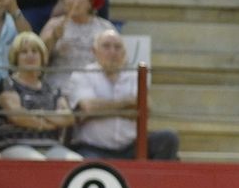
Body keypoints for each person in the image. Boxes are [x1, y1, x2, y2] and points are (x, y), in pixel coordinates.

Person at [66, 29, 181, 160]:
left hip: (130, 147)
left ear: (124, 52)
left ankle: (154, 180)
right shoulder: (82, 75)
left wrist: (101, 111)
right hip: (93, 148)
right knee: (89, 165)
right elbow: (89, 107)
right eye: (106, 46)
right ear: (94, 51)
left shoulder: (134, 75)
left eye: (117, 47)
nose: (112, 52)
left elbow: (145, 107)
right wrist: (127, 105)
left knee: (169, 138)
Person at [0, 31, 80, 160]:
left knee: (75, 161)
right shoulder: (8, 84)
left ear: (42, 57)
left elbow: (68, 118)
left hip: (51, 146)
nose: (30, 55)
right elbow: (17, 116)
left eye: (35, 51)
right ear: (16, 58)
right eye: (24, 52)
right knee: (37, 161)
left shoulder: (52, 89)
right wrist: (49, 121)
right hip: (15, 144)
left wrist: (39, 114)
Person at [39, 0, 113, 84]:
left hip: (93, 85)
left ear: (90, 0)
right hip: (60, 84)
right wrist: (53, 38)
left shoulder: (105, 27)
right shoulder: (53, 24)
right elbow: (39, 60)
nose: (71, 0)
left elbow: (115, 62)